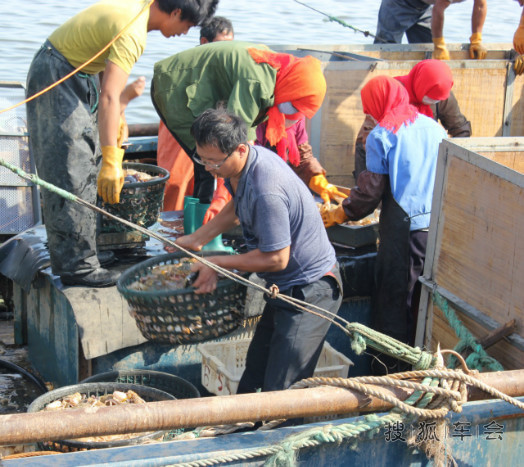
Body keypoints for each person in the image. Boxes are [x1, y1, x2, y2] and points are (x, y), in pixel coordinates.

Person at [26, 0, 217, 288]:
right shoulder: (133, 31)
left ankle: (94, 247)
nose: (185, 32)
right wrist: (113, 159)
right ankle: (77, 267)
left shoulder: (138, 8)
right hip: (58, 74)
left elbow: (104, 71)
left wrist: (116, 121)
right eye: (188, 25)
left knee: (90, 161)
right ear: (176, 12)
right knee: (72, 167)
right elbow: (109, 97)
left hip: (80, 72)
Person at [174, 107, 343, 393]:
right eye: (202, 159)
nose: (207, 168)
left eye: (214, 162)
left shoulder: (267, 188)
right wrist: (197, 239)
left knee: (283, 392)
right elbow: (238, 205)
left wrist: (216, 264)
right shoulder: (243, 166)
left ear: (241, 149)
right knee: (253, 378)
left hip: (311, 290)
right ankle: (246, 430)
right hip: (283, 288)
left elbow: (277, 258)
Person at [322, 76, 447, 373]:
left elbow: (370, 192)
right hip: (438, 228)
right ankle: (422, 364)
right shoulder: (433, 126)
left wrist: (341, 213)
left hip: (404, 230)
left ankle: (389, 371)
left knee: (394, 301)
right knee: (420, 297)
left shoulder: (382, 135)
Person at [151, 40, 341, 207]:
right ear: (292, 87)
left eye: (301, 112)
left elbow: (299, 148)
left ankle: (213, 220)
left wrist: (315, 176)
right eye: (296, 107)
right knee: (208, 161)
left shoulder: (281, 98)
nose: (295, 115)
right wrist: (222, 195)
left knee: (222, 165)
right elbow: (233, 142)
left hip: (209, 95)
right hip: (178, 89)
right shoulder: (257, 83)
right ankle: (205, 227)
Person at [157, 15, 235, 213]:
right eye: (220, 45)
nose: (225, 51)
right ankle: (170, 224)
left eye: (229, 45)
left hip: (209, 128)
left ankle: (201, 221)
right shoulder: (188, 64)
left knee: (207, 177)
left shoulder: (227, 66)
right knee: (175, 180)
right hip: (179, 122)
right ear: (204, 42)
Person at [353, 59, 471, 181]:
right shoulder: (392, 91)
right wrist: (366, 182)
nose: (432, 101)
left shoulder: (442, 96)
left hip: (427, 161)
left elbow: (461, 130)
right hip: (392, 158)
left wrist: (450, 165)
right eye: (429, 97)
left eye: (435, 99)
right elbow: (367, 138)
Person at [374, 0, 488, 60]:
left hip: (425, 7)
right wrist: (439, 44)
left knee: (428, 51)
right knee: (386, 48)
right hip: (398, 3)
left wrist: (476, 38)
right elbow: (438, 9)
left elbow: (480, 5)